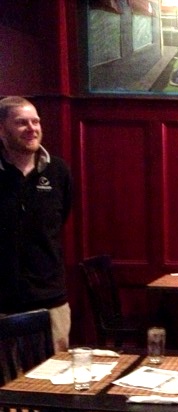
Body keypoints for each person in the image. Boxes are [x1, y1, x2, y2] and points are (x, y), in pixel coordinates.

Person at [0, 96, 73, 352]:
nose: (32, 128)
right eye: (22, 123)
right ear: (2, 129)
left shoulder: (58, 171)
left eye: (36, 121)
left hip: (50, 300)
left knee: (55, 374)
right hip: (3, 303)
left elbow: (59, 222)